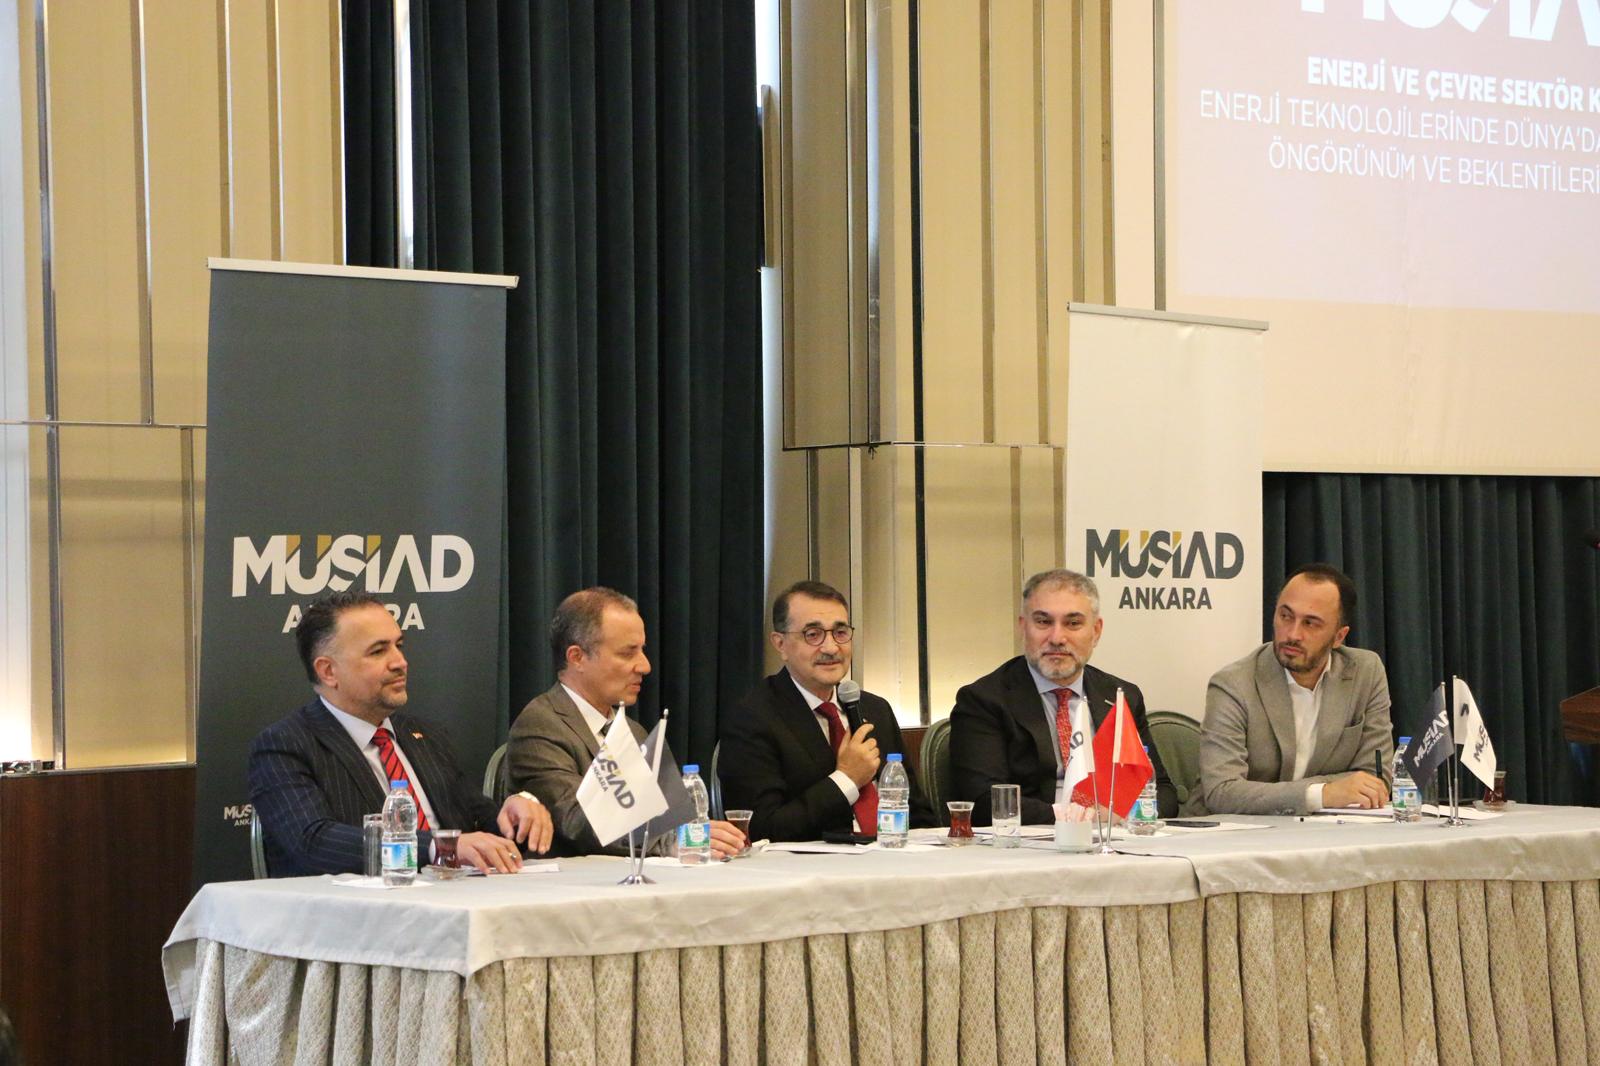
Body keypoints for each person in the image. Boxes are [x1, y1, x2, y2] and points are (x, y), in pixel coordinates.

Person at [249, 591, 553, 876]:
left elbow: (477, 821)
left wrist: (516, 817)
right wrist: (438, 848)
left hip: (456, 899)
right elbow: (314, 841)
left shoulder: (425, 736)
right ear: (328, 671)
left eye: (399, 645)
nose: (400, 662)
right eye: (378, 651)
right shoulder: (285, 745)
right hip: (359, 909)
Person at [506, 587, 745, 858]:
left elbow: (671, 815)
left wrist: (703, 836)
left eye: (642, 650)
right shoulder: (540, 725)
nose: (645, 666)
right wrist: (671, 841)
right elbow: (579, 821)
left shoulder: (632, 731)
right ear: (577, 657)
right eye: (627, 653)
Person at [950, 569, 1173, 825]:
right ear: (1023, 627)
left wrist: (1123, 814)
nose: (1057, 638)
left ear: (1096, 631)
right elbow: (984, 801)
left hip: (1114, 836)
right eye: (1043, 622)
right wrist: (1077, 817)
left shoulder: (1121, 696)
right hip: (1033, 841)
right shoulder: (984, 700)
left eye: (1073, 623)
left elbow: (1162, 791)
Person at [720, 581, 935, 841]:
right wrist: (847, 779)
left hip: (893, 855)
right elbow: (761, 830)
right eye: (813, 634)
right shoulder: (752, 718)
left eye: (840, 633)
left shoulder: (875, 709)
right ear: (780, 644)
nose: (831, 648)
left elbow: (919, 815)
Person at [1192, 563, 1393, 816]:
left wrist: (1315, 794)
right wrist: (1323, 794)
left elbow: (1374, 778)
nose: (1293, 634)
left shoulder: (1365, 672)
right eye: (1285, 616)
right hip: (1233, 832)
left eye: (1311, 623)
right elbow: (1222, 792)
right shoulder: (1233, 684)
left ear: (1339, 637)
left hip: (1325, 829)